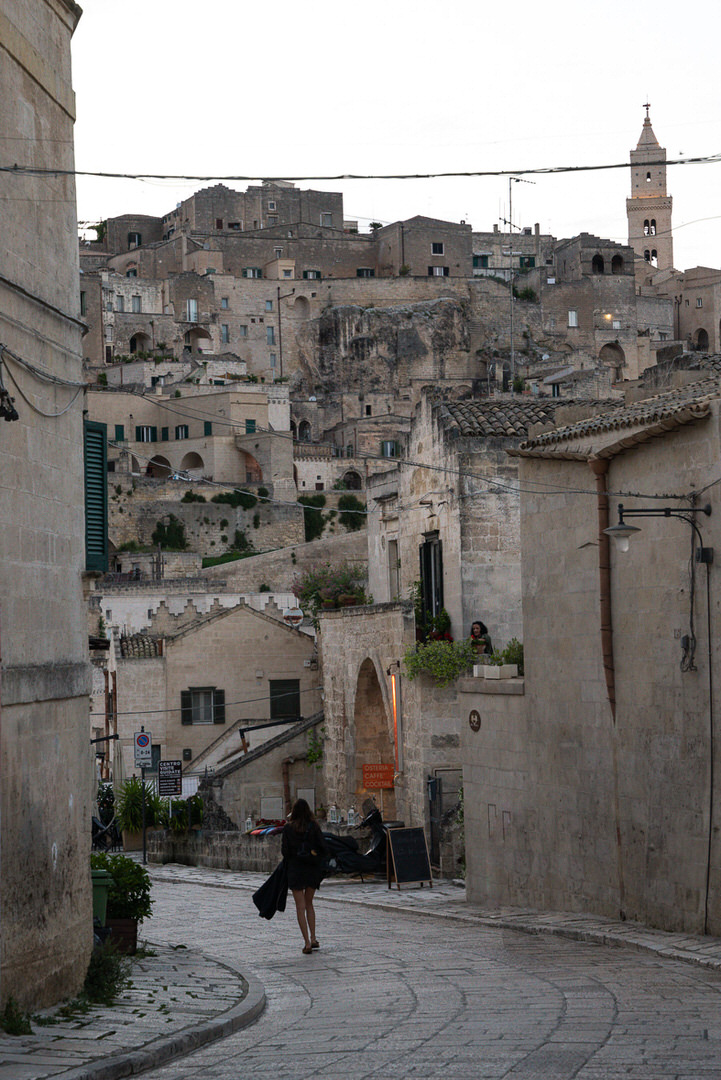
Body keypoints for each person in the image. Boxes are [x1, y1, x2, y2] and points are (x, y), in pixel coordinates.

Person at [281, 799, 327, 954]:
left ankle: (306, 942)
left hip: (295, 870)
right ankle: (314, 937)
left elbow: (285, 852)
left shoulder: (288, 829)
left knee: (299, 907)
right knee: (309, 904)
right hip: (311, 869)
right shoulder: (313, 827)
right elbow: (323, 847)